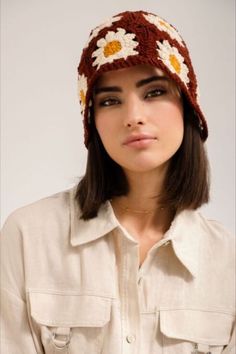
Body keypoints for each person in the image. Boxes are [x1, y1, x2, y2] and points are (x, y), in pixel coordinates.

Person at [1, 10, 235, 354]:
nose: (134, 116)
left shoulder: (226, 260)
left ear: (187, 107)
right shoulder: (28, 237)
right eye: (110, 101)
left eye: (154, 92)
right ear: (92, 123)